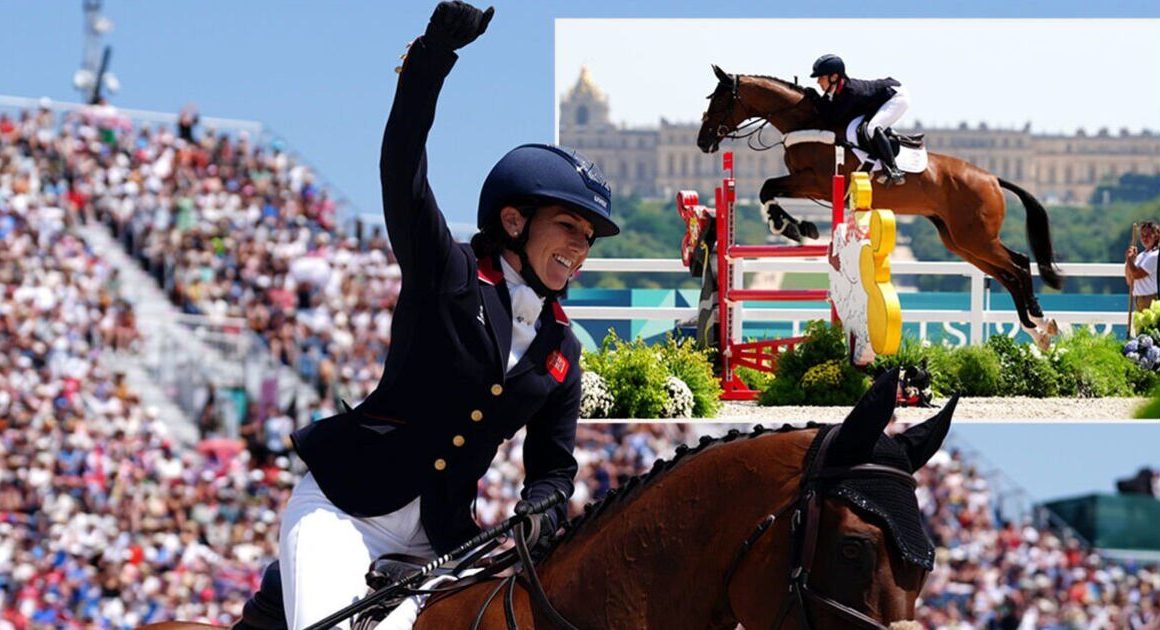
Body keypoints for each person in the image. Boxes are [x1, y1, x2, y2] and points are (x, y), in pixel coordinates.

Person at [275, 2, 620, 629]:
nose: (578, 248)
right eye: (568, 225)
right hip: (348, 511)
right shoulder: (449, 274)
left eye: (589, 238)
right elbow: (401, 166)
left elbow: (554, 467)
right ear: (514, 221)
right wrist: (433, 59)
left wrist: (543, 505)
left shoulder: (562, 350)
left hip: (442, 542)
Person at [808, 53, 910, 185]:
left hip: (896, 97)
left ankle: (894, 170)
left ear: (834, 77)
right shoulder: (837, 91)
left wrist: (815, 98)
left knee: (872, 128)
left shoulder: (850, 92)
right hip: (876, 101)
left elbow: (832, 118)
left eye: (821, 77)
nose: (818, 82)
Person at [1126, 220, 1159, 311]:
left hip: (1151, 299)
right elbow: (1129, 280)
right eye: (1142, 236)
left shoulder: (1155, 255)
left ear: (1156, 236)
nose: (1144, 239)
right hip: (1139, 298)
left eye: (1148, 235)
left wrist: (1129, 260)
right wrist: (1129, 260)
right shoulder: (1141, 256)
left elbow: (1137, 275)